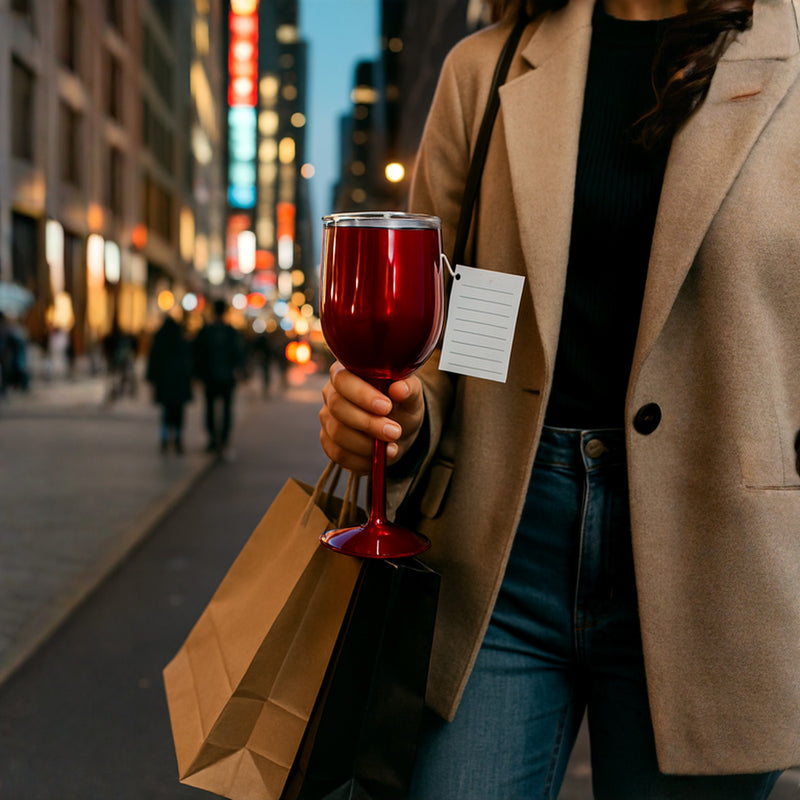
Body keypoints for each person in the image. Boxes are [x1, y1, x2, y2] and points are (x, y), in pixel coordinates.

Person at [318, 0, 800, 796]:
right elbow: (469, 324)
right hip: (502, 550)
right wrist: (402, 416)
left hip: (716, 552)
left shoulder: (788, 47)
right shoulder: (490, 67)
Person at [193, 299, 244, 457]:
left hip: (210, 377)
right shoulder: (230, 331)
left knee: (209, 408)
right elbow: (237, 354)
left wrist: (198, 375)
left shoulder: (206, 330)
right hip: (227, 377)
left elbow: (198, 354)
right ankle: (223, 438)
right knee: (227, 409)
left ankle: (212, 439)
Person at [146, 315, 193, 454]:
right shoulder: (182, 342)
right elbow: (189, 363)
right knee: (178, 413)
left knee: (166, 413)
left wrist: (152, 380)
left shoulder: (159, 343)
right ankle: (178, 438)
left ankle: (164, 438)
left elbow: (153, 365)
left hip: (165, 383)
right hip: (179, 383)